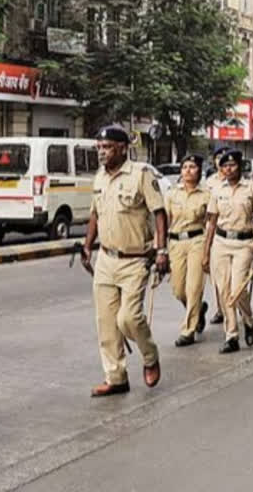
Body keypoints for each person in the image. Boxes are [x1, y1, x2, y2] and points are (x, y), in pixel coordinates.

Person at [81, 124, 167, 397]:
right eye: (99, 148)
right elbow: (95, 214)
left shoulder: (141, 174)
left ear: (122, 148)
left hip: (135, 259)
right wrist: (87, 245)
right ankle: (116, 377)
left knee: (129, 318)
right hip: (107, 258)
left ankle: (150, 356)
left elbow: (159, 212)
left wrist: (162, 250)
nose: (102, 153)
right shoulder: (99, 177)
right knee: (106, 322)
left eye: (106, 148)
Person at [203, 149, 253, 353]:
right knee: (223, 290)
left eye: (232, 165)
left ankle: (247, 319)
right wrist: (206, 251)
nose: (228, 170)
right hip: (221, 242)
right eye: (224, 166)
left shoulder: (252, 188)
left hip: (244, 243)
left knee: (238, 288)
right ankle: (231, 335)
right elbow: (211, 222)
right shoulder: (217, 189)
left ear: (240, 166)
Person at [166, 154, 210, 347]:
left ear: (199, 170)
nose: (188, 171)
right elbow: (165, 221)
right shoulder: (171, 194)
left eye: (192, 167)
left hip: (197, 241)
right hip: (176, 242)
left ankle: (188, 330)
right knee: (178, 290)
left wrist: (208, 251)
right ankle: (198, 309)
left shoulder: (206, 194)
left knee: (193, 288)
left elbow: (210, 223)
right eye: (184, 167)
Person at [205, 146, 229, 326]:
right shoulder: (209, 183)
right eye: (218, 157)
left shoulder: (238, 181)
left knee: (233, 277)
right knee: (217, 275)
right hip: (213, 231)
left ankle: (233, 306)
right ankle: (221, 309)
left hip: (233, 232)